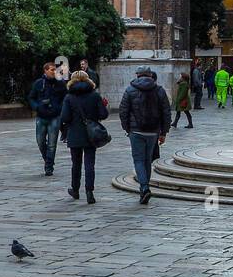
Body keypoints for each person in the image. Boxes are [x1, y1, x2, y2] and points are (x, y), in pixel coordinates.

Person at [118, 66, 171, 204]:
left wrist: (127, 128)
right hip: (153, 131)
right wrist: (164, 132)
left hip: (136, 131)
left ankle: (144, 187)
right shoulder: (159, 90)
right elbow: (166, 112)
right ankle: (144, 189)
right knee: (147, 160)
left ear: (138, 75)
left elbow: (123, 111)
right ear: (150, 75)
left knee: (139, 160)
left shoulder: (130, 90)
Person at [58, 70, 109, 204]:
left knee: (76, 164)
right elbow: (103, 115)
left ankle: (75, 190)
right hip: (91, 134)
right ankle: (89, 192)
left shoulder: (69, 97)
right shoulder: (95, 95)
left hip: (74, 133)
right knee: (89, 164)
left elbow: (64, 117)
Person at [27, 61, 67, 176]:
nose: (54, 72)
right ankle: (48, 160)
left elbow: (65, 98)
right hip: (41, 116)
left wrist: (58, 108)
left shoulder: (60, 83)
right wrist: (37, 107)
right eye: (51, 70)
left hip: (54, 116)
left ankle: (49, 166)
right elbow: (31, 97)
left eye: (55, 70)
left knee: (52, 143)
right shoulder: (39, 83)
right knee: (40, 141)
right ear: (45, 70)